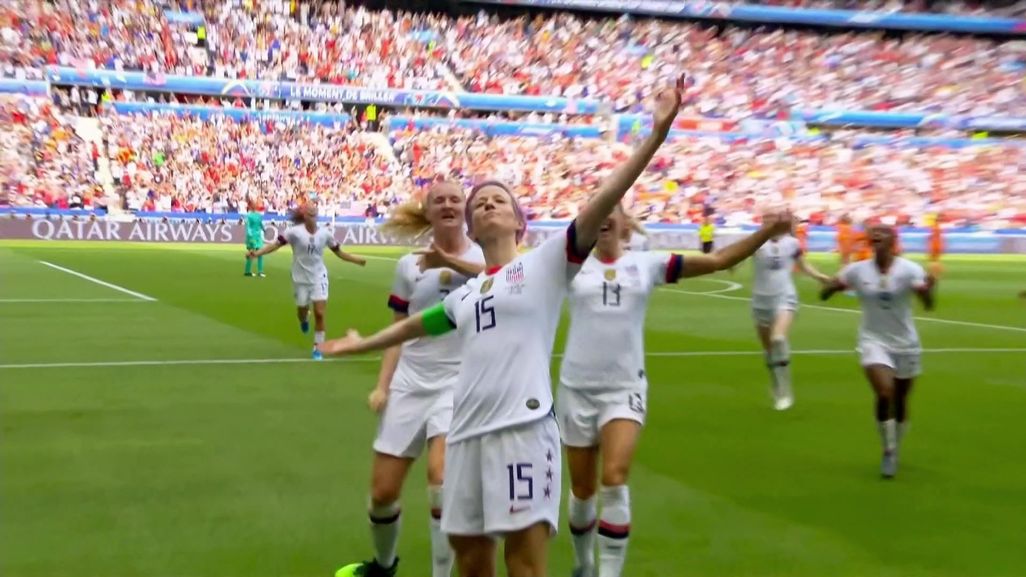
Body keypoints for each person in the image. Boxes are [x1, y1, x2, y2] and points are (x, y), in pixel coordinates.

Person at [319, 80, 684, 577]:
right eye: (480, 203)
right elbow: (414, 327)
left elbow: (606, 197)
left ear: (520, 223)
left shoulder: (547, 263)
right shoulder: (467, 294)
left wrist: (656, 134)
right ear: (471, 228)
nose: (488, 203)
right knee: (472, 564)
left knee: (524, 567)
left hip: (522, 432)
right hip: (467, 436)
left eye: (499, 200)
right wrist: (362, 344)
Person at [558, 205, 793, 577]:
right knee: (583, 490)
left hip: (624, 389)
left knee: (614, 478)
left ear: (625, 223)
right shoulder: (569, 265)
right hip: (576, 389)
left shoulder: (647, 264)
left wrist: (766, 231)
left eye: (611, 210)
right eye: (597, 210)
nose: (603, 217)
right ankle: (583, 562)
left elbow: (717, 260)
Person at [337, 182, 485, 577]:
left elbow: (501, 277)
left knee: (441, 478)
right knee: (382, 494)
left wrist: (447, 262)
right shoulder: (409, 266)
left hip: (459, 383)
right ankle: (384, 565)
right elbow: (399, 330)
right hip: (411, 381)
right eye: (439, 200)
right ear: (428, 211)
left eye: (455, 199)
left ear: (465, 208)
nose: (448, 204)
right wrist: (382, 385)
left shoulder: (484, 257)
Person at [819, 225, 937, 479]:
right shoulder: (857, 270)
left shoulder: (910, 269)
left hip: (906, 342)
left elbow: (928, 305)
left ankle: (896, 445)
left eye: (882, 236)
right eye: (873, 237)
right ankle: (888, 450)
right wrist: (831, 286)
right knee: (885, 393)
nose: (876, 239)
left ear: (893, 242)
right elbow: (825, 293)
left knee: (901, 400)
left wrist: (928, 291)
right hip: (873, 340)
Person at [248, 203, 367, 359]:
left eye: (315, 213)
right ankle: (304, 319)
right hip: (300, 279)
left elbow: (339, 253)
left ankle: (318, 348)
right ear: (305, 216)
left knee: (320, 313)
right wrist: (257, 254)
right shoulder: (294, 232)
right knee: (302, 311)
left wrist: (356, 260)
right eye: (310, 214)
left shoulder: (325, 234)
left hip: (319, 277)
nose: (313, 216)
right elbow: (275, 245)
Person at [749, 216, 830, 411]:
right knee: (769, 350)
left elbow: (803, 265)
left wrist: (820, 277)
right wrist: (729, 264)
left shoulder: (792, 243)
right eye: (767, 220)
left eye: (773, 219)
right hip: (760, 301)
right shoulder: (755, 242)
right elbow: (736, 257)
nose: (770, 223)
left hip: (785, 296)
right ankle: (777, 384)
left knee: (778, 338)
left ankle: (785, 392)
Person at [244, 198, 266, 277]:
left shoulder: (258, 215)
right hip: (252, 236)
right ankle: (247, 271)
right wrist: (250, 235)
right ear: (250, 206)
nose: (254, 206)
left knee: (260, 253)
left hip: (258, 236)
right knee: (252, 253)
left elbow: (260, 223)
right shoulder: (248, 216)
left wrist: (263, 229)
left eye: (254, 204)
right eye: (252, 205)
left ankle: (260, 271)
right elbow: (248, 226)